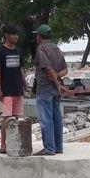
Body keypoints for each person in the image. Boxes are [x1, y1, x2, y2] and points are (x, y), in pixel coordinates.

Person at [0, 24, 27, 154]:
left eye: (17, 34)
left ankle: (18, 143)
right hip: (6, 90)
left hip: (18, 90)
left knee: (18, 117)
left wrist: (25, 84)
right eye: (13, 34)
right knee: (6, 118)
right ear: (6, 35)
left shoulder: (18, 51)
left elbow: (22, 69)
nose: (16, 37)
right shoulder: (0, 51)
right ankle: (3, 144)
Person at [32, 24, 68, 156]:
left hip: (45, 88)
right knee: (56, 118)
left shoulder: (41, 49)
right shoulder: (57, 49)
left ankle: (49, 148)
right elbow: (65, 70)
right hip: (56, 90)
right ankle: (58, 147)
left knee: (46, 119)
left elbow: (47, 68)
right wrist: (58, 80)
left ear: (39, 37)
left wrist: (56, 82)